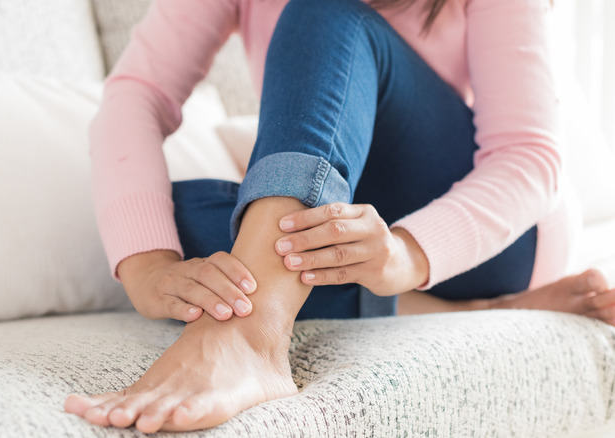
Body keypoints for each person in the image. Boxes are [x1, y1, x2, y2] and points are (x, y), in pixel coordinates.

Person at [65, 0, 615, 433]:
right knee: (173, 225)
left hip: (495, 233)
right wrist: (147, 267)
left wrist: (407, 252)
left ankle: (251, 335)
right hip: (336, 213)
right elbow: (136, 94)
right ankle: (465, 308)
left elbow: (527, 157)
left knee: (322, 9)